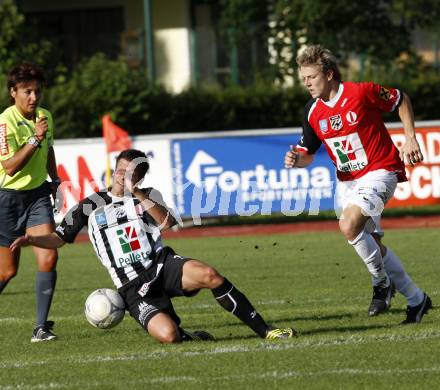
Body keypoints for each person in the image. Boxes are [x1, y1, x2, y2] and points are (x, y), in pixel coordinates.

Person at [11, 149, 296, 343]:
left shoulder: (146, 196)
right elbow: (59, 238)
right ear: (114, 169)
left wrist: (136, 192)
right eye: (121, 170)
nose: (123, 176)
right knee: (169, 336)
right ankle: (190, 336)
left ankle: (266, 330)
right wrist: (33, 239)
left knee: (210, 275)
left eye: (131, 173)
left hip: (162, 265)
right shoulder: (90, 205)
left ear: (140, 177)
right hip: (132, 288)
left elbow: (168, 222)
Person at [284, 45, 432, 324]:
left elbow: (401, 99)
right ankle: (417, 299)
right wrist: (296, 159)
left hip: (380, 170)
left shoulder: (361, 92)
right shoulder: (312, 112)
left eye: (311, 77)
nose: (306, 84)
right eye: (303, 78)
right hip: (347, 183)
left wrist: (410, 137)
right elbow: (308, 155)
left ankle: (381, 283)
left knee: (348, 224)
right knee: (373, 244)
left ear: (329, 74)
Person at [0, 63, 62, 342]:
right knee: (7, 271)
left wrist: (56, 180)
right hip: (7, 200)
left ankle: (40, 328)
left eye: (37, 91)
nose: (34, 97)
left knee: (49, 256)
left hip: (37, 195)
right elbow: (10, 167)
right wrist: (35, 139)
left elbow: (49, 148)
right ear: (13, 92)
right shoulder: (4, 123)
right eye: (27, 91)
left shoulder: (45, 116)